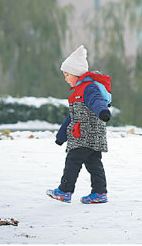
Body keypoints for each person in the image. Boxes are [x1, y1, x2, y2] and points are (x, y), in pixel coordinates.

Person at [46, 45, 112, 204]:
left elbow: (97, 101)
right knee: (94, 163)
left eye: (67, 74)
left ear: (76, 74)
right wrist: (61, 136)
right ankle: (99, 192)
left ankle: (64, 191)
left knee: (72, 161)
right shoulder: (77, 92)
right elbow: (72, 117)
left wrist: (103, 111)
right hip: (88, 136)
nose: (65, 78)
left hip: (84, 136)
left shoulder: (88, 88)